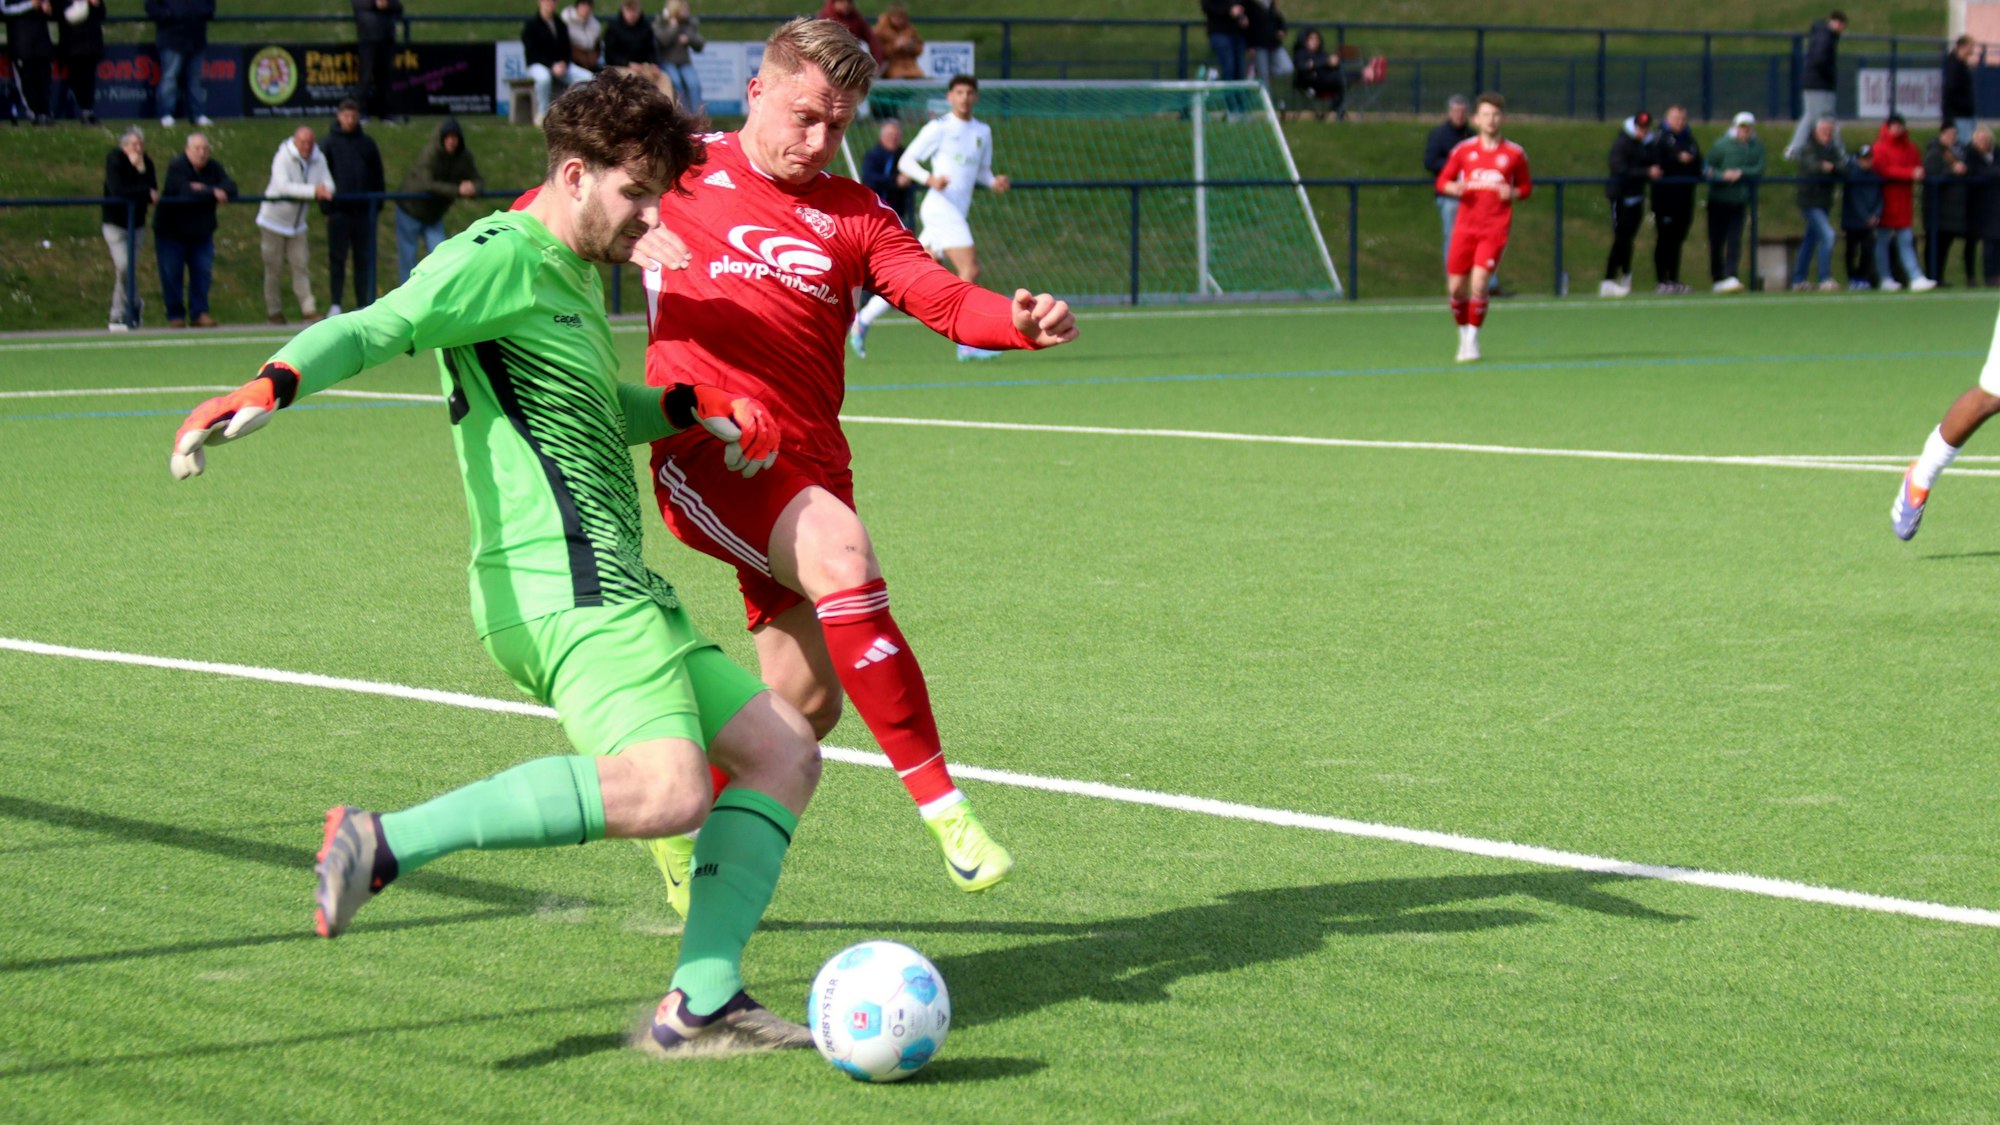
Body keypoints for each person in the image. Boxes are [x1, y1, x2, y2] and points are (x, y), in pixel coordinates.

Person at [168, 72, 822, 1057]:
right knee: (673, 790)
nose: (650, 219)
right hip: (563, 581)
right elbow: (376, 325)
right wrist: (273, 382)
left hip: (612, 583)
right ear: (573, 174)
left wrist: (695, 409)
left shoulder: (562, 274)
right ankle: (382, 842)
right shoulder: (495, 255)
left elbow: (590, 409)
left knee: (782, 751)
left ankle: (703, 999)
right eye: (636, 195)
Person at [565, 18, 1073, 907]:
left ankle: (687, 835)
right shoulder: (680, 168)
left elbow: (943, 298)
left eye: (835, 125)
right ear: (756, 90)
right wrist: (622, 232)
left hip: (810, 464)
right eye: (803, 115)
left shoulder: (857, 213)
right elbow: (570, 207)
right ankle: (947, 815)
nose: (817, 140)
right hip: (711, 449)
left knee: (797, 717)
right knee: (843, 554)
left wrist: (1016, 324)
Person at [852, 73, 1013, 362]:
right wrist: (929, 178)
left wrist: (993, 182)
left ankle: (862, 320)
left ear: (975, 97)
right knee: (970, 269)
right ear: (950, 97)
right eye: (959, 92)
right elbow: (906, 161)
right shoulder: (939, 128)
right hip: (940, 209)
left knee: (911, 275)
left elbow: (982, 171)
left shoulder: (982, 131)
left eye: (969, 93)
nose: (964, 98)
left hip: (954, 212)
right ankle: (968, 342)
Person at [1435, 93, 1528, 362]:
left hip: (1494, 228)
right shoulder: (1463, 151)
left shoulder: (1514, 153)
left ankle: (1473, 340)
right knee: (1455, 288)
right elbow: (1442, 181)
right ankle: (1463, 336)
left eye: (1496, 114)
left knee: (1479, 283)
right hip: (1464, 227)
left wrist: (1513, 193)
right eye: (1485, 114)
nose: (1491, 119)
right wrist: (1453, 187)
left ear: (1503, 118)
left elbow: (1526, 187)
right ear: (1476, 119)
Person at [254, 126, 333, 325]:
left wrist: (325, 189)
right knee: (273, 268)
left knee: (301, 265)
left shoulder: (319, 158)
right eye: (302, 143)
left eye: (309, 143)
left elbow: (329, 183)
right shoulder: (283, 157)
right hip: (273, 222)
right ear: (295, 142)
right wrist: (314, 191)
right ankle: (274, 311)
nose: (306, 147)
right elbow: (283, 187)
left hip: (298, 225)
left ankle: (309, 309)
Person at [154, 132, 235, 328]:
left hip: (201, 232)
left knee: (202, 272)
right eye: (197, 149)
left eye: (205, 149)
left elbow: (231, 187)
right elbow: (183, 189)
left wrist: (205, 188)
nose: (202, 153)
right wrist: (211, 191)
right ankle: (175, 315)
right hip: (171, 232)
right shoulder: (177, 167)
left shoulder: (213, 167)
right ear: (187, 150)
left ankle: (199, 313)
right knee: (172, 273)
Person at [394, 117, 483, 284]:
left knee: (439, 254)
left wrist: (473, 188)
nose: (451, 141)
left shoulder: (463, 157)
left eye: (454, 137)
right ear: (441, 138)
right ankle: (405, 302)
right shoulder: (430, 153)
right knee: (408, 258)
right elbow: (426, 184)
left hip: (434, 215)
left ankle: (437, 295)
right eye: (448, 137)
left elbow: (478, 179)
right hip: (410, 209)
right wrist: (457, 190)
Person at [321, 99, 385, 314]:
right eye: (346, 116)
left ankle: (362, 303)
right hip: (339, 213)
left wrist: (376, 206)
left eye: (353, 116)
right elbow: (321, 176)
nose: (349, 120)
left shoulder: (367, 144)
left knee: (363, 259)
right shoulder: (328, 143)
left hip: (363, 213)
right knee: (337, 258)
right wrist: (327, 208)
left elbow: (378, 176)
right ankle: (336, 303)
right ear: (339, 116)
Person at [101, 127, 157, 331]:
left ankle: (118, 316)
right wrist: (140, 185)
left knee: (126, 269)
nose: (138, 148)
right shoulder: (115, 160)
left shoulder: (146, 163)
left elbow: (153, 190)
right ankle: (133, 304)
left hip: (137, 224)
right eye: (134, 144)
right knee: (124, 266)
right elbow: (118, 189)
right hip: (115, 224)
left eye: (141, 144)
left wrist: (140, 173)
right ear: (124, 146)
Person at [1871, 113, 1935, 291]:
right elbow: (1881, 169)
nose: (1897, 129)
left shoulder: (1911, 148)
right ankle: (1885, 277)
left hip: (1904, 201)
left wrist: (1918, 172)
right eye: (1894, 126)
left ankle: (1915, 276)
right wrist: (1909, 174)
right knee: (1882, 240)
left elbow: (1917, 166)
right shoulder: (1879, 147)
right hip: (1885, 201)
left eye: (1900, 125)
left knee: (1905, 239)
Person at [1704, 111, 1764, 293]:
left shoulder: (1756, 147)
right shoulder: (1721, 145)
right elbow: (1708, 168)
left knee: (1734, 239)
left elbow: (1759, 169)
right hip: (1719, 200)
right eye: (1742, 127)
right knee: (1716, 240)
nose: (1745, 131)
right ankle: (1717, 277)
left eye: (1748, 128)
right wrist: (1723, 176)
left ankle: (1731, 275)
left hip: (1740, 201)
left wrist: (1741, 172)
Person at [1648, 103, 1701, 294]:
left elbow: (1697, 162)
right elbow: (1657, 163)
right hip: (1665, 198)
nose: (1680, 122)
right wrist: (1677, 159)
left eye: (1683, 119)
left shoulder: (1689, 139)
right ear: (1667, 120)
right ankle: (1662, 280)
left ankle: (1674, 279)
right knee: (1665, 238)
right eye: (1676, 118)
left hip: (1685, 197)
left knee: (1678, 240)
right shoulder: (1659, 139)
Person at [1600, 111, 1654, 298]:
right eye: (1640, 126)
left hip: (1636, 198)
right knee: (1621, 238)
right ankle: (1608, 280)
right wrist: (1646, 172)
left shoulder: (1645, 145)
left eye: (1646, 127)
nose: (1643, 130)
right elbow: (1619, 168)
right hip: (1621, 197)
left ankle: (1626, 276)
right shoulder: (1622, 143)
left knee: (1628, 239)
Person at [1790, 116, 1842, 290]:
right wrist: (1824, 166)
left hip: (1824, 201)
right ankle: (1824, 277)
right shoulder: (1808, 148)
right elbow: (1813, 166)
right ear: (1816, 132)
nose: (1827, 135)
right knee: (1828, 235)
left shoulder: (1832, 149)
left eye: (1830, 132)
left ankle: (1798, 279)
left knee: (1810, 239)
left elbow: (1843, 167)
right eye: (1824, 131)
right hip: (1810, 201)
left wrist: (1831, 167)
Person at [1785, 10, 1845, 161]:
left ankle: (1794, 148)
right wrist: (1828, 75)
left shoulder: (1821, 34)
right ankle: (1839, 152)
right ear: (1836, 22)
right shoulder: (1826, 36)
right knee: (1827, 118)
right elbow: (1819, 60)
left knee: (1810, 116)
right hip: (1820, 84)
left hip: (1814, 82)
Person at [146, 0, 213, 127]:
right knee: (170, 77)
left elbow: (210, 6)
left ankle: (197, 114)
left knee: (195, 79)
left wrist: (203, 13)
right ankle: (166, 114)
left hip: (196, 37)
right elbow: (151, 6)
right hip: (172, 37)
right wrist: (168, 15)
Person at [1424, 94, 1473, 270]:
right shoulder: (1439, 135)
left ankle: (1486, 282)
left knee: (1480, 237)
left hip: (1473, 195)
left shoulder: (1472, 136)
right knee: (1453, 236)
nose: (1459, 115)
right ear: (1449, 112)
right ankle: (1454, 276)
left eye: (1462, 111)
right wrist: (1456, 166)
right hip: (1449, 195)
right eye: (1455, 111)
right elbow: (1430, 161)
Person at [524, 0, 590, 126]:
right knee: (544, 78)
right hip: (538, 65)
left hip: (561, 66)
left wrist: (564, 63)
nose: (550, 4)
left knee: (586, 78)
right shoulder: (531, 25)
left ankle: (576, 113)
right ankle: (543, 114)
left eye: (553, 1)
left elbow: (566, 50)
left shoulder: (560, 25)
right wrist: (551, 65)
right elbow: (533, 52)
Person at [1925, 121, 1975, 285]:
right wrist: (1951, 171)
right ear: (1942, 134)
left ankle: (1939, 277)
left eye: (1955, 134)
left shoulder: (1958, 152)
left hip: (1952, 209)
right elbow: (1932, 175)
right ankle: (1933, 276)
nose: (1953, 138)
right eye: (1950, 134)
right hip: (1937, 208)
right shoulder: (1935, 152)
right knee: (1936, 244)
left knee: (1945, 244)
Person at [4, 0, 56, 125]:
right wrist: (29, 5)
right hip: (21, 45)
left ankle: (45, 113)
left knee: (44, 81)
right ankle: (34, 113)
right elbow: (4, 10)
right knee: (27, 82)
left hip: (41, 44)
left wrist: (48, 8)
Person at [860, 116, 915, 230]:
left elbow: (914, 174)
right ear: (882, 135)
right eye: (890, 135)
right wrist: (895, 181)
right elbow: (869, 178)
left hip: (899, 212)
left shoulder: (904, 155)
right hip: (875, 212)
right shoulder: (873, 155)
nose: (893, 138)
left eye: (897, 135)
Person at [353, 0, 402, 123]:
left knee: (385, 78)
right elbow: (358, 4)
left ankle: (385, 113)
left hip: (387, 39)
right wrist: (375, 4)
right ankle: (361, 112)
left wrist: (388, 4)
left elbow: (399, 6)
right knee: (365, 77)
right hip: (368, 38)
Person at [1841, 143, 1883, 289]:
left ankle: (1863, 276)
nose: (1867, 161)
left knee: (1867, 249)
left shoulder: (1875, 177)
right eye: (1864, 158)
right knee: (1851, 250)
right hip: (1853, 221)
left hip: (1869, 221)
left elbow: (1879, 198)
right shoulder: (1852, 176)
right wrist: (1866, 216)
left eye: (1869, 158)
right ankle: (1853, 278)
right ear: (1858, 159)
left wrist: (1875, 215)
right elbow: (1855, 199)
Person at [57, 0, 104, 126]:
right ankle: (83, 108)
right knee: (76, 79)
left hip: (91, 43)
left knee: (89, 78)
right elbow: (61, 14)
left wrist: (97, 5)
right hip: (71, 44)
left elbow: (102, 13)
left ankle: (87, 110)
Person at [654, 0, 703, 110]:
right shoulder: (662, 21)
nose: (687, 11)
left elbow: (700, 44)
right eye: (684, 9)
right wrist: (672, 28)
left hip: (684, 62)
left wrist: (689, 39)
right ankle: (682, 115)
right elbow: (660, 41)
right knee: (676, 83)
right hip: (667, 61)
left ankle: (697, 116)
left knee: (694, 84)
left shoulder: (689, 24)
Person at [1290, 27, 1342, 116]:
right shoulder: (1300, 53)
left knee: (1342, 79)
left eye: (1317, 39)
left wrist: (1334, 63)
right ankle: (1335, 110)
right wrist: (1324, 63)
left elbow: (1322, 64)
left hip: (1327, 82)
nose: (1315, 41)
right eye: (1311, 39)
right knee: (1339, 79)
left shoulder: (1321, 53)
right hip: (1309, 82)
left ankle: (1336, 109)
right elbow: (1303, 67)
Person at [1971, 129, 2000, 286]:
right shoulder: (1972, 155)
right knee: (1987, 244)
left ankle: (1996, 275)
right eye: (1979, 140)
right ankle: (1989, 276)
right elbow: (1976, 171)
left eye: (1985, 140)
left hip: (1995, 205)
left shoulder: (1997, 153)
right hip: (1979, 206)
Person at [1944, 35, 1981, 141]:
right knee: (1964, 143)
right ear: (1962, 47)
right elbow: (1951, 90)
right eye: (1971, 47)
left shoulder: (1961, 64)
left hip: (1966, 113)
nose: (1972, 50)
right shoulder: (1954, 66)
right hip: (1960, 114)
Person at [1200, 0, 1248, 82]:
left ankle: (1238, 94)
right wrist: (1229, 10)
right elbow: (1207, 6)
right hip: (1220, 32)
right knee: (1228, 68)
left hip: (1237, 34)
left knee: (1240, 70)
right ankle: (1227, 94)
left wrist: (1243, 17)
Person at [1244, 0, 1286, 94]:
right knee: (1264, 77)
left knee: (1286, 68)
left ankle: (1256, 71)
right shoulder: (1251, 6)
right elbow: (1247, 28)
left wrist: (1282, 30)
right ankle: (1267, 101)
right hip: (1259, 45)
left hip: (1273, 44)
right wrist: (1249, 45)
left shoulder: (1272, 5)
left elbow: (1279, 21)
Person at [872, 3, 922, 80]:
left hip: (911, 67)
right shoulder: (880, 30)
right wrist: (894, 46)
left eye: (902, 17)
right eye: (897, 17)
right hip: (890, 67)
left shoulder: (910, 29)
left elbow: (919, 48)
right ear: (890, 17)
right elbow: (877, 52)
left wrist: (910, 46)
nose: (900, 20)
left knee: (918, 77)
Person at [562, 0, 601, 68]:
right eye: (583, 4)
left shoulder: (595, 24)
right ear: (577, 7)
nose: (586, 8)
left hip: (590, 59)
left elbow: (596, 46)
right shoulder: (567, 23)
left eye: (589, 5)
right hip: (571, 61)